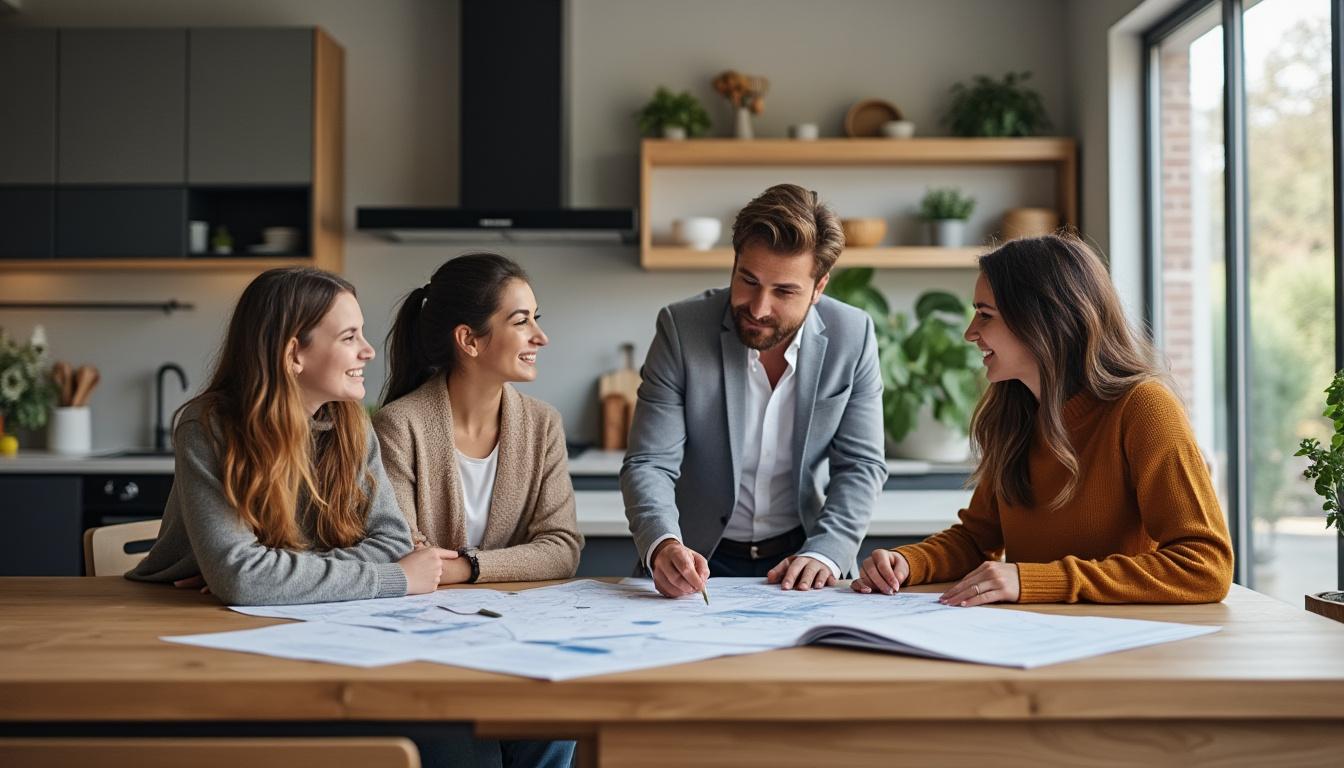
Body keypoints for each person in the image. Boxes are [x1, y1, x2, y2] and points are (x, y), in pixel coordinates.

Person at [853, 234, 1234, 604]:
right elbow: (976, 538)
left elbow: (1205, 565)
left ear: (1042, 320)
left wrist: (1035, 579)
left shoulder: (1145, 408)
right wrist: (907, 562)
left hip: (1120, 646)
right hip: (1033, 642)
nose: (971, 333)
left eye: (985, 315)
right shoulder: (1016, 413)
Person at [622, 183, 888, 598]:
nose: (759, 308)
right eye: (748, 281)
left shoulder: (853, 336)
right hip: (696, 558)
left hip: (804, 559)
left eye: (784, 291)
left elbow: (860, 465)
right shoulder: (681, 329)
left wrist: (826, 553)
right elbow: (650, 462)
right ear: (734, 264)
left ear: (819, 288)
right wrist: (662, 543)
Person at [128, 267, 452, 605]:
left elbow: (392, 543)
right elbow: (242, 579)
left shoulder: (352, 424)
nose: (368, 351)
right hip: (174, 613)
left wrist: (277, 576)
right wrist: (393, 578)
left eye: (362, 333)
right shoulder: (208, 428)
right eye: (348, 337)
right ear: (293, 354)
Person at [374, 252, 579, 768]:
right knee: (470, 750)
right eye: (521, 320)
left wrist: (466, 566)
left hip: (519, 641)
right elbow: (406, 556)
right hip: (429, 648)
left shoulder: (542, 425)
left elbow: (561, 550)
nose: (540, 336)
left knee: (556, 727)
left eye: (537, 318)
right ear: (469, 340)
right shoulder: (400, 427)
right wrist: (447, 566)